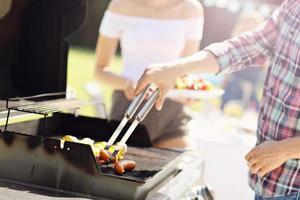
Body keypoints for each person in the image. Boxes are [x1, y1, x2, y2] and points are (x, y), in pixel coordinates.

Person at [135, 1, 300, 199]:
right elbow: (244, 47)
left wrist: (284, 150)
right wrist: (176, 68)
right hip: (271, 183)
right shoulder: (293, 5)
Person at [95, 0, 204, 148]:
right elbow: (99, 71)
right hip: (129, 107)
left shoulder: (191, 9)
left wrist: (190, 93)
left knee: (185, 166)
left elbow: (186, 73)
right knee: (118, 166)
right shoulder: (120, 5)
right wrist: (127, 84)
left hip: (171, 109)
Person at [221, 11, 265, 112]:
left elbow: (264, 73)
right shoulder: (234, 45)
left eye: (253, 24)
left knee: (246, 118)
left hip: (250, 92)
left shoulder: (262, 49)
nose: (249, 27)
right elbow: (227, 71)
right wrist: (223, 87)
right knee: (228, 115)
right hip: (233, 88)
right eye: (246, 24)